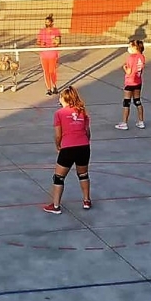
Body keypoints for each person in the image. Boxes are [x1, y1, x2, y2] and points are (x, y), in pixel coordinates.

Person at [43, 86, 92, 214]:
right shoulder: (82, 111)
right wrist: (85, 143)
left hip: (68, 147)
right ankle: (86, 200)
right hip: (84, 147)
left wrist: (58, 145)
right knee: (83, 174)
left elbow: (58, 134)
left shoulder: (59, 113)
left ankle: (55, 206)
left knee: (58, 177)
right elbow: (87, 132)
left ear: (64, 98)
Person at [115, 39, 146, 130]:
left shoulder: (131, 58)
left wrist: (124, 67)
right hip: (138, 81)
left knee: (126, 103)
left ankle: (124, 123)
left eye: (130, 46)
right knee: (137, 101)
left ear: (135, 47)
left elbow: (129, 71)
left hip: (130, 82)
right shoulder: (142, 57)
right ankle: (141, 122)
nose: (128, 48)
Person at [36, 14, 61, 96]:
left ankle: (54, 86)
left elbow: (59, 42)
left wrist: (55, 42)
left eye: (48, 22)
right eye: (46, 22)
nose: (47, 23)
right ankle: (49, 89)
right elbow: (38, 42)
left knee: (52, 71)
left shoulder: (56, 31)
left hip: (53, 53)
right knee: (46, 72)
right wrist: (41, 43)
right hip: (44, 54)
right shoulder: (42, 31)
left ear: (52, 22)